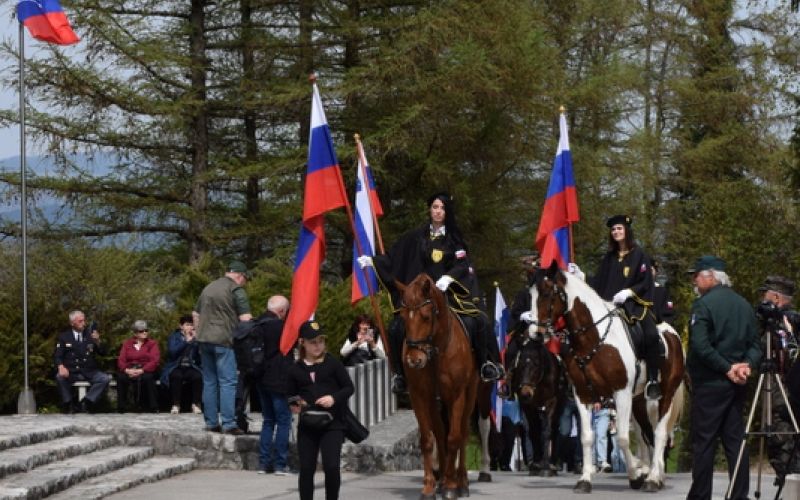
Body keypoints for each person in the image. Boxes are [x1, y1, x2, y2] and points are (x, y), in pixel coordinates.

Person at [358, 192, 503, 393]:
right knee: (396, 328)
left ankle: (487, 364)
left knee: (478, 322)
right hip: (420, 298)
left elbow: (463, 264)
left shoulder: (454, 239)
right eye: (435, 207)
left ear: (447, 212)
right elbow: (394, 256)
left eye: (442, 208)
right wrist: (373, 261)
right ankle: (400, 375)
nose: (438, 211)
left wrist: (448, 277)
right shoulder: (415, 236)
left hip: (449, 295)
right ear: (429, 209)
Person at [686, 255, 761, 500]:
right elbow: (755, 345)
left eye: (697, 275)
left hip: (710, 382)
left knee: (705, 443)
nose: (695, 281)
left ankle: (700, 496)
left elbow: (700, 345)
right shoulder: (744, 305)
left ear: (710, 276)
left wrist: (726, 368)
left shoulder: (703, 305)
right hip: (736, 384)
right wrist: (746, 366)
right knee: (735, 441)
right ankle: (739, 495)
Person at [585, 214, 662, 400]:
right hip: (611, 306)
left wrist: (629, 292)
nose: (616, 232)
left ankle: (653, 379)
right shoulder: (609, 258)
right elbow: (599, 282)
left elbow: (645, 282)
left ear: (626, 231)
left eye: (619, 228)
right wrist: (582, 277)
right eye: (613, 230)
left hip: (634, 306)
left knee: (651, 335)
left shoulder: (639, 254)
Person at [287, 321, 354, 500]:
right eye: (312, 342)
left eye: (320, 341)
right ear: (303, 343)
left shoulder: (333, 363)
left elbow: (348, 387)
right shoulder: (295, 368)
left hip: (333, 423)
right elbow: (289, 393)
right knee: (307, 468)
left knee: (332, 466)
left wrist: (333, 398)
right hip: (308, 424)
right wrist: (295, 404)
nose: (317, 346)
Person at [194, 260, 253, 435]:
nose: (244, 283)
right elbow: (246, 319)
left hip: (204, 339)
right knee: (228, 382)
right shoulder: (236, 290)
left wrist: (199, 332)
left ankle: (211, 422)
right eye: (245, 279)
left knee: (210, 381)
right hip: (224, 341)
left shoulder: (209, 287)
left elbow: (196, 313)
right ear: (240, 276)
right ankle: (228, 423)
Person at [756, 276, 800, 483]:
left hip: (782, 389)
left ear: (775, 297)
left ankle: (790, 480)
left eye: (765, 295)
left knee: (779, 435)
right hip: (783, 386)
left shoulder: (787, 323)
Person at [252, 295, 293, 475]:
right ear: (282, 311)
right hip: (278, 379)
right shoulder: (282, 327)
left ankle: (263, 463)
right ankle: (280, 464)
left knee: (268, 420)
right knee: (283, 420)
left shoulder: (256, 324)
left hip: (260, 378)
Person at [54, 310, 112, 413]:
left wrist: (98, 341)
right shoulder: (64, 337)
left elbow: (103, 353)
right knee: (59, 377)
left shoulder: (90, 335)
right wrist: (61, 366)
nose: (84, 323)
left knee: (104, 378)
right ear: (72, 323)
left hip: (89, 371)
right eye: (80, 321)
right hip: (72, 371)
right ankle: (69, 404)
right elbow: (58, 355)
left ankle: (86, 401)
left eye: (84, 320)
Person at [160, 315, 203, 414]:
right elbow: (172, 352)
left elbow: (200, 356)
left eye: (192, 325)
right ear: (181, 326)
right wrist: (186, 342)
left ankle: (196, 403)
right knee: (176, 376)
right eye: (187, 325)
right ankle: (176, 404)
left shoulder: (196, 338)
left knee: (198, 376)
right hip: (175, 365)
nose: (190, 327)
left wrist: (198, 341)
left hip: (191, 366)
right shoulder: (174, 337)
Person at [117, 320, 161, 412]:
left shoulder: (152, 344)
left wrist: (142, 370)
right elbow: (121, 360)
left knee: (148, 378)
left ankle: (153, 406)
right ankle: (121, 406)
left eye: (146, 330)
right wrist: (127, 370)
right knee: (121, 377)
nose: (145, 333)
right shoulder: (127, 344)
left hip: (145, 369)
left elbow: (154, 360)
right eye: (141, 331)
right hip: (130, 369)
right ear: (135, 333)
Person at [591, 399, 613, 473]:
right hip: (590, 411)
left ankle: (602, 461)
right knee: (592, 439)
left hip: (604, 411)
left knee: (601, 436)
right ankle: (593, 463)